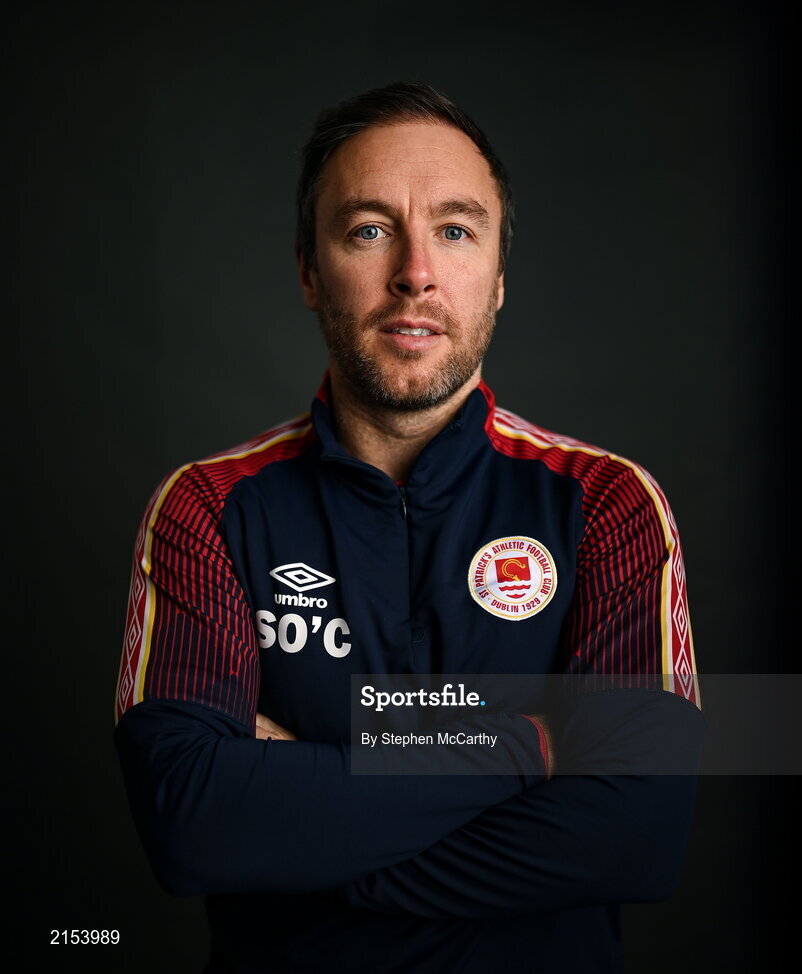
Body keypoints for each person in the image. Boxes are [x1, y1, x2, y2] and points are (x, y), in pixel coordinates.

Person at [114, 81, 704, 974]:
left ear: (499, 276)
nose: (416, 273)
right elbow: (194, 824)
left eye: (457, 230)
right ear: (310, 270)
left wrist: (315, 794)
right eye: (369, 229)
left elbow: (638, 837)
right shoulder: (206, 509)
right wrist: (533, 740)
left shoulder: (610, 504)